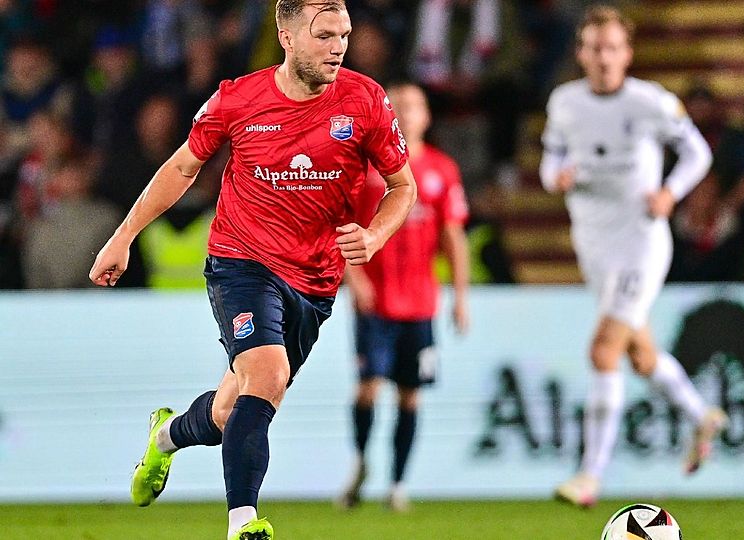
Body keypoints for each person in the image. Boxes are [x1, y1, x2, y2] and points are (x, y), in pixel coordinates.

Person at [87, 1, 417, 538]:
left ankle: (165, 436)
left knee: (228, 412)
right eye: (324, 35)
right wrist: (123, 237)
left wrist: (375, 235)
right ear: (285, 37)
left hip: (315, 281)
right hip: (241, 263)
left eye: (344, 35)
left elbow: (404, 187)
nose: (338, 46)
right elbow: (182, 167)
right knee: (266, 375)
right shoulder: (237, 98)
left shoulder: (366, 100)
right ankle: (242, 521)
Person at [539, 5, 728, 508]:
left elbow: (698, 153)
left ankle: (590, 476)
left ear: (627, 52)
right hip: (594, 244)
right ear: (581, 52)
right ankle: (700, 415)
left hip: (641, 242)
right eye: (594, 47)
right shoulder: (565, 103)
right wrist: (553, 176)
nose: (603, 57)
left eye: (613, 48)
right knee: (640, 355)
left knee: (603, 351)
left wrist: (670, 192)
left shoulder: (651, 102)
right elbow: (550, 158)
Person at [337, 82, 470, 512]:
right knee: (367, 388)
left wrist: (461, 296)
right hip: (375, 301)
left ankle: (397, 483)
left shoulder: (441, 170)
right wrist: (354, 280)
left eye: (415, 106)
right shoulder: (365, 167)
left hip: (420, 303)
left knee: (410, 394)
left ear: (427, 116)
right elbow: (342, 224)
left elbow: (452, 236)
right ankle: (360, 463)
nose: (408, 113)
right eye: (399, 105)